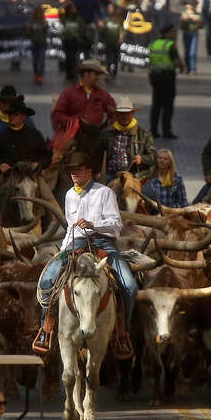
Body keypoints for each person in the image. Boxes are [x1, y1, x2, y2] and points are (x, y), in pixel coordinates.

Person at [32, 152, 136, 359]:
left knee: (130, 286)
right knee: (47, 280)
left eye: (78, 170)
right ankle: (46, 328)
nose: (74, 174)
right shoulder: (70, 194)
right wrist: (63, 252)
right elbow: (71, 228)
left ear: (89, 171)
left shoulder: (104, 193)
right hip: (75, 244)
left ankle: (122, 332)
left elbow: (116, 227)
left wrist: (93, 225)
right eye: (71, 170)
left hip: (104, 244)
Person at [0, 101, 52, 175]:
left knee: (46, 187)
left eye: (15, 114)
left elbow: (46, 156)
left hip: (32, 175)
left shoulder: (35, 134)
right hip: (7, 176)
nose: (11, 117)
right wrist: (0, 165)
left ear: (23, 117)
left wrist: (38, 164)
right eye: (10, 114)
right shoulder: (1, 136)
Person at [51, 60, 116, 134]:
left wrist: (109, 127)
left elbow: (114, 113)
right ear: (86, 74)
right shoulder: (68, 93)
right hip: (74, 134)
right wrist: (75, 122)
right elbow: (58, 115)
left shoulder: (103, 95)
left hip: (96, 135)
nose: (98, 78)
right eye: (96, 74)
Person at [100, 97, 156, 181]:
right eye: (121, 114)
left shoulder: (144, 134)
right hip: (111, 174)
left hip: (134, 175)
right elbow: (98, 154)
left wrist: (142, 159)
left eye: (127, 113)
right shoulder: (106, 133)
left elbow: (153, 157)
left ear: (132, 113)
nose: (124, 116)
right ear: (116, 114)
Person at [148, 25, 182, 139]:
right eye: (172, 31)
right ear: (166, 33)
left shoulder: (153, 44)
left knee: (156, 104)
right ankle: (166, 131)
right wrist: (182, 66)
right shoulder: (170, 45)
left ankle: (153, 130)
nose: (173, 33)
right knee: (168, 105)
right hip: (167, 78)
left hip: (154, 77)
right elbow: (177, 63)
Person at [58, 1, 87, 81]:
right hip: (67, 40)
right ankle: (69, 74)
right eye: (71, 8)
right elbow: (59, 12)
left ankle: (75, 74)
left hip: (75, 40)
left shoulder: (78, 18)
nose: (73, 10)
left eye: (74, 8)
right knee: (68, 58)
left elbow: (83, 27)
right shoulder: (64, 18)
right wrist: (65, 5)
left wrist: (81, 36)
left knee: (75, 58)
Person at [179, 0, 203, 74]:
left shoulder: (197, 14)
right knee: (186, 51)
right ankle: (187, 67)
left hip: (194, 34)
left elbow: (202, 25)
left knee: (192, 52)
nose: (191, 6)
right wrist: (184, 19)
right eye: (189, 4)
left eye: (193, 5)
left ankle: (192, 68)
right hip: (186, 33)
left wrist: (198, 20)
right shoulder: (184, 14)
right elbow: (180, 25)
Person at [27, 7, 49, 85]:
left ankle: (40, 75)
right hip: (34, 43)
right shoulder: (32, 22)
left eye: (40, 13)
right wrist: (28, 28)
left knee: (41, 60)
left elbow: (46, 31)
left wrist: (45, 25)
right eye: (38, 13)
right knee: (35, 60)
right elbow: (28, 34)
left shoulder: (44, 21)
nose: (39, 14)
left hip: (42, 43)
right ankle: (36, 74)